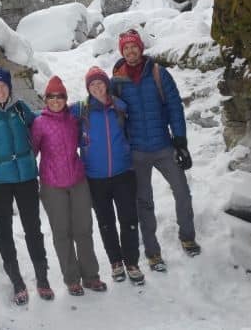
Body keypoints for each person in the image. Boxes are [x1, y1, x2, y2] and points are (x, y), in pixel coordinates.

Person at [110, 29, 200, 273]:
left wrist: (180, 141)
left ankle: (188, 237)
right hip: (137, 152)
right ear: (122, 52)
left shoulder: (159, 73)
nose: (130, 51)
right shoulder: (117, 81)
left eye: (133, 46)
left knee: (182, 192)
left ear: (140, 48)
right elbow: (113, 115)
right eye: (125, 48)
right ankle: (153, 252)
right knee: (144, 202)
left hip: (163, 146)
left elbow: (174, 107)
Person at [0, 68, 53, 305]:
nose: (0, 91)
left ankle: (42, 278)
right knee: (4, 231)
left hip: (26, 177)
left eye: (4, 86)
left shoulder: (20, 108)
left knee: (33, 228)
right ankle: (17, 281)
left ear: (9, 89)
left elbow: (39, 120)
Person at [31, 75, 106, 296]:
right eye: (51, 97)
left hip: (78, 181)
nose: (55, 100)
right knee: (62, 233)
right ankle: (72, 279)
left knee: (84, 230)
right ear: (46, 99)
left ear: (65, 98)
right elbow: (32, 152)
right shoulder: (39, 123)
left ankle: (91, 276)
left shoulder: (74, 118)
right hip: (52, 185)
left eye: (60, 96)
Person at [70, 67, 145, 285]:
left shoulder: (120, 108)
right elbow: (56, 113)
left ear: (106, 84)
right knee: (106, 222)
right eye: (92, 84)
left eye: (100, 83)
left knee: (129, 219)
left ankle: (132, 262)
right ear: (87, 88)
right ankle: (115, 262)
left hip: (123, 173)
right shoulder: (80, 111)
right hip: (95, 178)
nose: (97, 87)